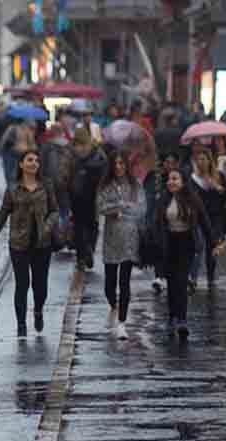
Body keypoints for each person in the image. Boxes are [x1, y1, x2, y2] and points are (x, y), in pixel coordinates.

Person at [0, 150, 59, 337]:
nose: (34, 163)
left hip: (42, 244)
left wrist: (47, 226)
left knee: (40, 286)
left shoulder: (46, 185)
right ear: (21, 164)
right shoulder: (13, 188)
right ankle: (21, 325)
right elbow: (1, 216)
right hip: (18, 244)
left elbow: (55, 211)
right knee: (22, 285)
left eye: (36, 160)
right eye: (30, 160)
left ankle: (38, 310)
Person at [153, 168, 214, 339]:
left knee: (181, 281)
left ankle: (182, 320)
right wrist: (157, 242)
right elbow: (156, 223)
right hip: (169, 243)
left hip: (186, 243)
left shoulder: (192, 199)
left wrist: (213, 242)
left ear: (183, 181)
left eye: (175, 179)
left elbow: (204, 220)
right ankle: (172, 316)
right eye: (169, 179)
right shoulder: (163, 199)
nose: (171, 182)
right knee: (172, 282)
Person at [95, 152, 147, 340]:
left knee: (124, 282)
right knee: (110, 284)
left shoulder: (135, 185)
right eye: (115, 163)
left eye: (121, 163)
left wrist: (123, 209)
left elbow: (141, 208)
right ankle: (113, 304)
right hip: (111, 239)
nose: (118, 166)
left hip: (130, 238)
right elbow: (101, 207)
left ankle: (122, 323)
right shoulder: (105, 185)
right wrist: (119, 206)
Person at [189, 147, 226, 289]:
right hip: (199, 218)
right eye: (198, 159)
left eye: (203, 159)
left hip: (215, 217)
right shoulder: (193, 179)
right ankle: (192, 278)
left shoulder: (218, 176)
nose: (201, 162)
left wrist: (218, 188)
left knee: (212, 248)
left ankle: (211, 278)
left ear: (209, 160)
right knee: (198, 245)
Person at [68, 126, 107, 272]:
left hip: (78, 195)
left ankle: (82, 255)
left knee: (80, 226)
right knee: (91, 225)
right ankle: (88, 248)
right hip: (92, 196)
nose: (80, 148)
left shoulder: (73, 154)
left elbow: (66, 174)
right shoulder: (98, 153)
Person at [143, 151, 181, 294]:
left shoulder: (179, 178)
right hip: (157, 220)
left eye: (173, 163)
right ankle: (159, 277)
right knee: (159, 247)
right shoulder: (155, 177)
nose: (170, 166)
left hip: (175, 221)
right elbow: (146, 196)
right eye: (167, 162)